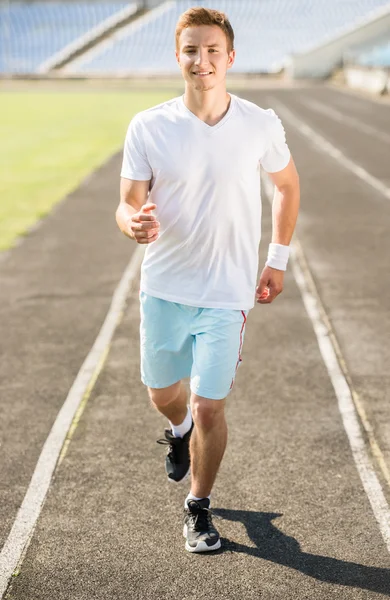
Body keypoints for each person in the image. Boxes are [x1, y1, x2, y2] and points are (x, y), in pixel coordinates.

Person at [116, 6, 300, 553]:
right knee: (164, 395)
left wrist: (278, 259)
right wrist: (133, 223)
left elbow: (287, 186)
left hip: (226, 293)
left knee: (209, 406)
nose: (202, 60)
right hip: (164, 287)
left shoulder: (260, 123)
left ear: (230, 57)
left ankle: (198, 507)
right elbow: (127, 203)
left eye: (212, 50)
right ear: (179, 58)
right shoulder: (149, 125)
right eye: (192, 50)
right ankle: (178, 436)